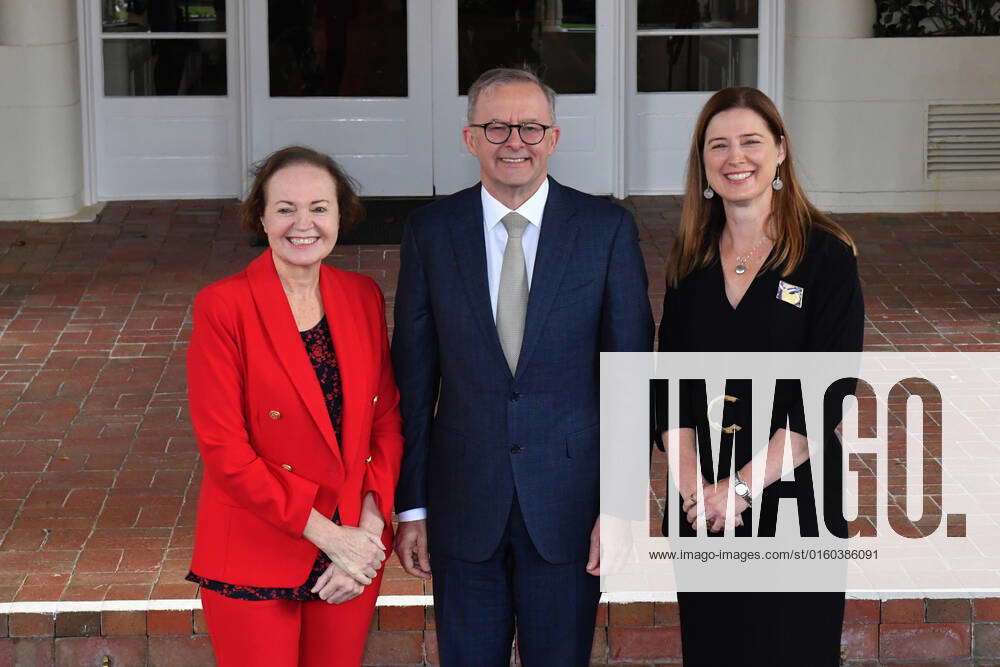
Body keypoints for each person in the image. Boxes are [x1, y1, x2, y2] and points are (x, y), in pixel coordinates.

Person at [391, 68, 654, 666]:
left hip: (569, 506)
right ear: (470, 138)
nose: (515, 140)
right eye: (497, 126)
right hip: (462, 507)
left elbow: (629, 377)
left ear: (554, 138)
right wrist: (412, 506)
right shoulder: (430, 231)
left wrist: (618, 505)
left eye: (531, 127)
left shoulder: (605, 230)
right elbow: (412, 378)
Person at [654, 86, 863, 666]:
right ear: (702, 163)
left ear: (780, 152)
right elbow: (669, 387)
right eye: (717, 145)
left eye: (750, 141)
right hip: (704, 508)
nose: (734, 157)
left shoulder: (826, 256)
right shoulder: (689, 260)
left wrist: (742, 487)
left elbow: (828, 394)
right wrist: (696, 490)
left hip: (795, 496)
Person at [185, 146, 403, 666]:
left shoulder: (362, 295)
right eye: (285, 209)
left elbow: (386, 420)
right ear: (260, 216)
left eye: (319, 208)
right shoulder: (223, 306)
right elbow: (225, 452)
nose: (302, 223)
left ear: (339, 216)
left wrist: (368, 534)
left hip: (347, 555)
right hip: (257, 550)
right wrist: (331, 537)